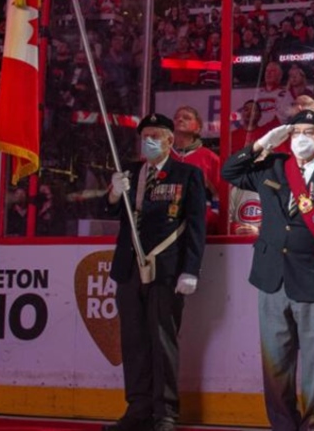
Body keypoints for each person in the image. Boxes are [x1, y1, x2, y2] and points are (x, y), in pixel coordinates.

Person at [221, 110, 314, 431]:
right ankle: (283, 425)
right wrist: (262, 144)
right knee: (275, 364)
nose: (301, 138)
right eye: (295, 132)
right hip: (272, 278)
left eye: (308, 132)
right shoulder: (272, 166)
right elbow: (230, 172)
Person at [104, 114, 207, 431]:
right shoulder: (131, 173)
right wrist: (113, 192)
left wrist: (190, 270)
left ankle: (165, 414)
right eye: (143, 135)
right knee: (133, 342)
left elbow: (195, 227)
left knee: (162, 341)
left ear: (169, 140)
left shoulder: (187, 174)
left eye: (154, 135)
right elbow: (112, 213)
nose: (147, 141)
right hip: (129, 268)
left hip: (166, 269)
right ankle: (138, 408)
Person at [169, 106, 222, 233]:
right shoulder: (163, 155)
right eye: (176, 118)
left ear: (198, 128)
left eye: (186, 118)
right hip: (166, 223)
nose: (180, 120)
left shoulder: (209, 157)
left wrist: (211, 215)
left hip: (197, 224)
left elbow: (220, 194)